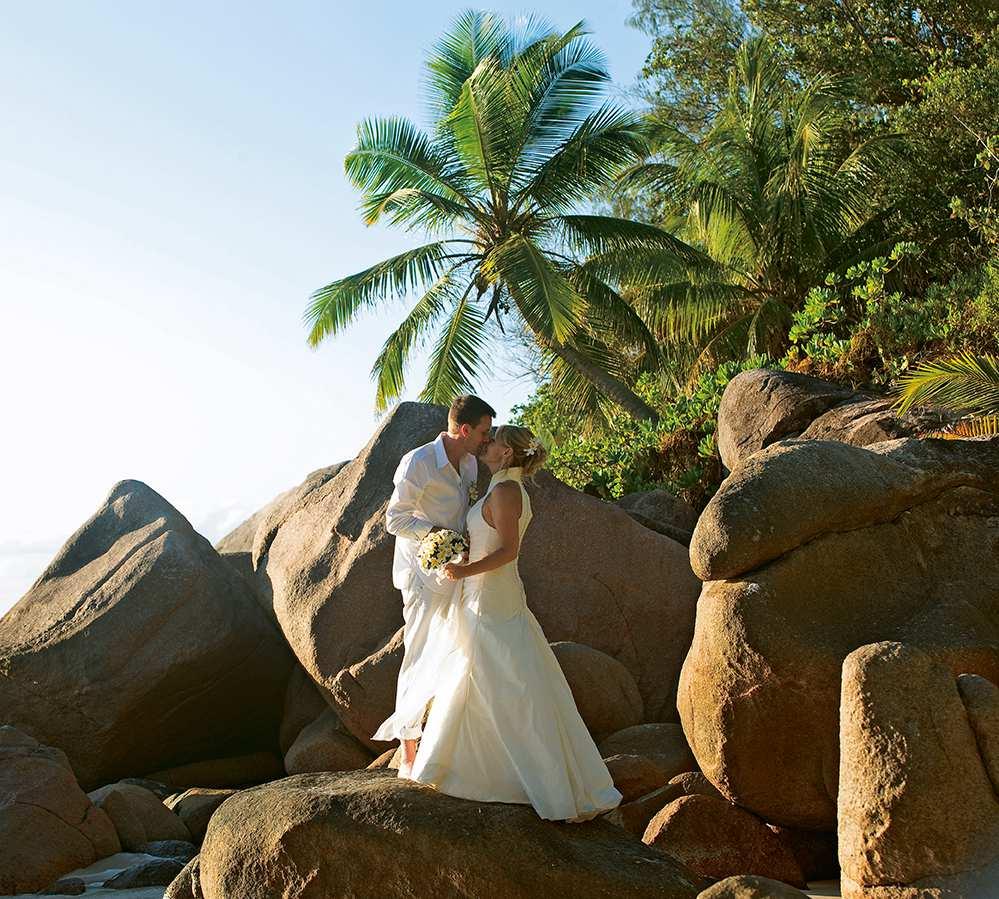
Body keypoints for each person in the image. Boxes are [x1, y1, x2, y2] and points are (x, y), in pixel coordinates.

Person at [404, 425, 622, 822]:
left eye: (495, 439)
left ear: (507, 453)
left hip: (493, 597)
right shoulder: (498, 487)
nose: (486, 443)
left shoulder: (506, 492)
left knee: (508, 680)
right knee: (479, 673)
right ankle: (461, 767)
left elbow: (508, 551)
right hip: (481, 595)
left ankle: (534, 781)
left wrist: (463, 571)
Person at [371, 394, 495, 779]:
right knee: (420, 651)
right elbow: (394, 519)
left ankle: (447, 739)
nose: (486, 440)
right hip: (422, 575)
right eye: (483, 432)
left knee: (457, 647)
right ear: (463, 429)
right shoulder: (419, 462)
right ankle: (409, 752)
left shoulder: (472, 464)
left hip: (457, 571)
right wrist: (439, 535)